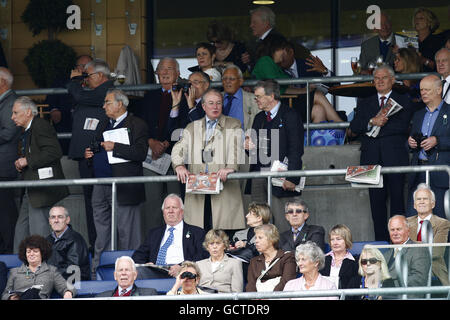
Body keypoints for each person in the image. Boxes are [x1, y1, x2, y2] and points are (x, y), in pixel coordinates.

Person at [84, 89, 148, 272]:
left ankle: (132, 274)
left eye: (107, 102)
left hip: (124, 186)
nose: (104, 106)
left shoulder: (137, 124)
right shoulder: (103, 123)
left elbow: (140, 153)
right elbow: (98, 148)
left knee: (128, 234)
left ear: (120, 104)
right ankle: (100, 274)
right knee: (102, 235)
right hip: (100, 184)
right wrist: (90, 155)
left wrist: (116, 147)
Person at [349, 65, 414, 241]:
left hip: (394, 157)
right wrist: (372, 121)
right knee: (376, 205)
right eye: (376, 78)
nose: (379, 81)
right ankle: (381, 243)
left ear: (392, 80)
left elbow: (402, 127)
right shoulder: (365, 101)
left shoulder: (404, 100)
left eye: (383, 78)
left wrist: (379, 125)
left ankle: (399, 243)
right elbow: (354, 127)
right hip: (370, 158)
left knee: (397, 202)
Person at [171, 89, 245, 233]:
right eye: (211, 103)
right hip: (198, 190)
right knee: (198, 234)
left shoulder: (233, 124)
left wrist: (231, 166)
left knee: (223, 235)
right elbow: (178, 149)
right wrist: (179, 165)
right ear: (203, 106)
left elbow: (236, 147)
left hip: (223, 187)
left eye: (218, 103)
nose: (215, 107)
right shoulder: (192, 127)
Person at [66, 58, 114, 251]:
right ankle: (96, 244)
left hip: (99, 158)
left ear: (101, 76)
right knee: (91, 203)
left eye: (88, 75)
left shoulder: (107, 90)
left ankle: (103, 246)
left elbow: (81, 97)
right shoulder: (93, 93)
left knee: (101, 205)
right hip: (86, 157)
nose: (86, 79)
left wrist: (75, 81)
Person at [245, 79, 304, 233]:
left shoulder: (290, 115)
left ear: (271, 96)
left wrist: (292, 177)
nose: (255, 99)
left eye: (258, 96)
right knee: (258, 222)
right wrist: (248, 147)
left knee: (282, 223)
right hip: (259, 176)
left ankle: (285, 255)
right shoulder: (259, 118)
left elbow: (296, 148)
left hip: (282, 177)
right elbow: (253, 152)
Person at [12, 96, 69, 253]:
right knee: (21, 231)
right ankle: (20, 270)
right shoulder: (30, 128)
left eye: (16, 113)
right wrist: (23, 162)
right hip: (32, 188)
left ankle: (44, 270)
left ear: (28, 112)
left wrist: (27, 161)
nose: (13, 117)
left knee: (39, 232)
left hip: (41, 189)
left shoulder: (40, 125)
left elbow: (54, 151)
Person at [136, 57, 182, 231]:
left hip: (177, 157)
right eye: (161, 69)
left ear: (178, 73)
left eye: (169, 69)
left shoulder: (185, 94)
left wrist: (166, 144)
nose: (164, 72)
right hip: (152, 156)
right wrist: (151, 142)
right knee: (152, 203)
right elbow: (141, 124)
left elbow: (186, 124)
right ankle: (153, 245)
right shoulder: (150, 96)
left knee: (175, 202)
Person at [132, 194, 208, 279]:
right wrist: (146, 264)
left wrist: (182, 266)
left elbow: (202, 255)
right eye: (167, 208)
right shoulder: (154, 233)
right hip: (157, 271)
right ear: (163, 212)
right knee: (138, 271)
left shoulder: (196, 232)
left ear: (182, 212)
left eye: (174, 207)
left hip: (184, 272)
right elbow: (137, 256)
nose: (170, 211)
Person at [407, 74, 449, 219]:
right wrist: (410, 143)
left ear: (439, 90)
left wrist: (438, 140)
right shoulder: (418, 114)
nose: (423, 93)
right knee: (414, 219)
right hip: (418, 172)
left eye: (427, 90)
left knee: (441, 220)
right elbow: (410, 141)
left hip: (440, 174)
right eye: (421, 90)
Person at [274, 40, 345, 124]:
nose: (280, 60)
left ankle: (316, 137)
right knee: (317, 94)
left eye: (282, 56)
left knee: (318, 109)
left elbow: (336, 85)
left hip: (307, 108)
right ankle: (341, 126)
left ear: (291, 52)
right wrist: (306, 90)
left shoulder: (307, 65)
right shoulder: (276, 70)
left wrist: (325, 71)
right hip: (289, 106)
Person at [45, 55, 93, 155]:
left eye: (88, 65)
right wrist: (54, 109)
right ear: (76, 67)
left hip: (89, 121)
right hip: (66, 118)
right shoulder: (63, 80)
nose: (85, 69)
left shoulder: (95, 80)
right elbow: (51, 96)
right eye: (82, 65)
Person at [2, 235, 75, 300]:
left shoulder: (51, 271)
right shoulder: (14, 272)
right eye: (28, 251)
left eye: (35, 251)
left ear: (42, 253)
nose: (31, 254)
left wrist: (68, 293)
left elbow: (67, 287)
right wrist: (11, 297)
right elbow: (5, 294)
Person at [407, 184, 450, 286]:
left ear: (433, 204)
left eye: (425, 199)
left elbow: (436, 252)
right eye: (418, 199)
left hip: (434, 271)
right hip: (408, 270)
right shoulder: (405, 223)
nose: (421, 202)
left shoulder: (442, 223)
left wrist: (411, 251)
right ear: (414, 205)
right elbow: (399, 249)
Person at [383, 215, 431, 296]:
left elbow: (419, 280)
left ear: (408, 231)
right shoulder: (385, 255)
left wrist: (390, 286)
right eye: (392, 230)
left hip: (406, 296)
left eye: (398, 229)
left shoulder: (418, 249)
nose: (395, 233)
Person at [0, 67, 21, 254]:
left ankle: (8, 250)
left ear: (2, 82)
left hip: (5, 164)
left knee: (6, 210)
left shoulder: (11, 101)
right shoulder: (5, 101)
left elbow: (8, 132)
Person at [246, 224, 296, 292]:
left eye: (260, 238)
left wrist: (271, 297)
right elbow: (251, 286)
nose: (256, 241)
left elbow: (287, 281)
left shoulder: (287, 257)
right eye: (256, 238)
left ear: (271, 239)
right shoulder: (254, 261)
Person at [46, 206, 90, 281]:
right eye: (53, 217)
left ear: (67, 220)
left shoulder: (75, 239)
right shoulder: (47, 240)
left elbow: (73, 268)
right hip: (53, 281)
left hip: (73, 282)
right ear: (49, 221)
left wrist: (49, 275)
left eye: (60, 217)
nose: (56, 220)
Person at [320, 224, 360, 290]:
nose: (335, 243)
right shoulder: (322, 260)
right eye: (332, 239)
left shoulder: (355, 263)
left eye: (338, 239)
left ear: (347, 241)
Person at [221, 64, 259, 131]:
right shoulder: (216, 98)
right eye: (224, 78)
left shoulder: (253, 100)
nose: (227, 81)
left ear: (240, 81)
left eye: (232, 79)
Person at [413, 7, 444, 72]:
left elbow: (440, 65)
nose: (417, 20)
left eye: (421, 18)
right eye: (415, 18)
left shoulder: (438, 41)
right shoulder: (411, 42)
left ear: (429, 22)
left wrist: (423, 60)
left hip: (432, 79)